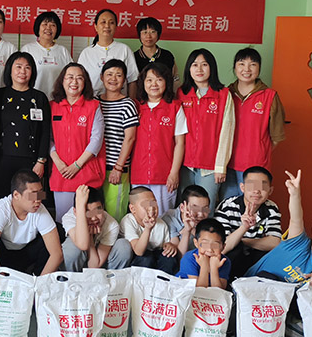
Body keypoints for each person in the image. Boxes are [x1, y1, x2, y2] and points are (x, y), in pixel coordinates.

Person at [246, 170, 312, 284]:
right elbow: (296, 219)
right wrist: (295, 194)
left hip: (286, 295)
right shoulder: (298, 242)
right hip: (251, 287)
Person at [223, 48, 286, 199]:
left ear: (259, 68)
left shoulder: (269, 96)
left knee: (253, 206)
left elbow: (276, 137)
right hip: (227, 165)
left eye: (252, 64)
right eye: (241, 64)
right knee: (228, 206)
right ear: (235, 67)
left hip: (256, 168)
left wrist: (259, 151)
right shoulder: (226, 94)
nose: (247, 69)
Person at [177, 49, 234, 208]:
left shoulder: (223, 94)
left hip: (210, 167)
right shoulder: (182, 93)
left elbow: (227, 132)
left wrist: (221, 166)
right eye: (194, 65)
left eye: (204, 64)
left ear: (212, 67)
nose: (199, 69)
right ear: (189, 68)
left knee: (205, 209)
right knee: (185, 209)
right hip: (185, 164)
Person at [48, 63, 105, 222]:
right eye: (70, 77)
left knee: (91, 221)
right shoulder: (52, 106)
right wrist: (58, 162)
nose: (74, 82)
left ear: (85, 82)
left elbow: (96, 139)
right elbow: (48, 138)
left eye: (79, 78)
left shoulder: (93, 106)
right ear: (62, 81)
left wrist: (77, 165)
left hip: (87, 173)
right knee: (63, 220)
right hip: (62, 174)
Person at [0, 52, 51, 203]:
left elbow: (45, 132)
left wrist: (41, 161)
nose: (22, 71)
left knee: (33, 201)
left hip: (31, 161)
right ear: (10, 70)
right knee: (2, 201)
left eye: (27, 68)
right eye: (18, 67)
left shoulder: (40, 98)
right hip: (2, 160)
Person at [0, 170, 63, 276]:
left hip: (27, 254)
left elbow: (57, 254)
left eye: (40, 193)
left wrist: (40, 283)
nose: (38, 200)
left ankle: (36, 275)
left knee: (58, 230)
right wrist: (3, 280)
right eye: (32, 195)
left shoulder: (40, 209)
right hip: (3, 255)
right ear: (16, 195)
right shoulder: (2, 209)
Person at [132, 63, 187, 214]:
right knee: (141, 216)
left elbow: (180, 143)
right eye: (149, 80)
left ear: (166, 82)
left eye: (159, 80)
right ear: (143, 83)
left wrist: (174, 173)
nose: (154, 84)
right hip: (139, 174)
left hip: (164, 176)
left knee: (163, 216)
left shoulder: (174, 107)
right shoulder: (135, 107)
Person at [215, 166, 282, 281]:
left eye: (263, 187)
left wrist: (243, 241)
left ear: (270, 190)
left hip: (256, 257)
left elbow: (275, 242)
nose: (256, 191)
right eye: (252, 186)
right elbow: (222, 247)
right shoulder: (227, 206)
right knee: (235, 251)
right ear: (242, 187)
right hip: (232, 259)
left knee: (276, 256)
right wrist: (244, 228)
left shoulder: (271, 207)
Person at [97, 59, 139, 221]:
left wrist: (118, 167)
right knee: (95, 213)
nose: (113, 79)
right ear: (101, 77)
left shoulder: (127, 104)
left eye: (118, 75)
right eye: (109, 74)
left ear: (124, 80)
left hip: (116, 169)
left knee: (114, 215)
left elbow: (130, 138)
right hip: (96, 168)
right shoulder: (95, 102)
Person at [61, 185, 132, 272]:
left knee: (123, 246)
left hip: (101, 264)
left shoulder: (111, 225)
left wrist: (90, 239)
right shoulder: (70, 217)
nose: (94, 218)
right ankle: (71, 278)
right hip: (78, 263)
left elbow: (94, 265)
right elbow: (82, 244)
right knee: (72, 248)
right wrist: (81, 208)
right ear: (76, 212)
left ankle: (110, 278)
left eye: (97, 211)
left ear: (103, 207)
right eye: (87, 213)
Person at [77, 9, 139, 99]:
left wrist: (131, 103)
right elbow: (80, 80)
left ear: (116, 27)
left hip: (119, 103)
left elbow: (132, 80)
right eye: (103, 22)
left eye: (111, 23)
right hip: (93, 102)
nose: (107, 26)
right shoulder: (86, 53)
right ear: (96, 27)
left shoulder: (124, 49)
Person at [120, 186, 177, 274]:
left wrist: (169, 246)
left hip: (155, 255)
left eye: (154, 203)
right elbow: (139, 251)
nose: (151, 208)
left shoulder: (162, 224)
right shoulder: (128, 221)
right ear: (132, 209)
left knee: (169, 258)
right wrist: (148, 229)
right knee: (146, 258)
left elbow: (164, 245)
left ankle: (162, 280)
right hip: (137, 256)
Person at [21, 11, 72, 99]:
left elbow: (71, 75)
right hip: (32, 99)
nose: (48, 28)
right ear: (38, 27)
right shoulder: (28, 49)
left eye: (53, 25)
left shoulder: (63, 51)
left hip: (57, 100)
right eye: (45, 24)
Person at [176, 218, 231, 289]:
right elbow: (199, 291)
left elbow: (219, 291)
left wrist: (214, 268)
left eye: (215, 245)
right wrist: (204, 266)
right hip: (185, 291)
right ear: (196, 243)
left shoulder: (224, 261)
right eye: (205, 244)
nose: (210, 249)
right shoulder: (189, 258)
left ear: (223, 247)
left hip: (210, 294)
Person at [162, 184, 211, 258]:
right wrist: (187, 230)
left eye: (205, 209)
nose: (201, 214)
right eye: (195, 209)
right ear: (182, 207)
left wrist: (193, 230)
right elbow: (179, 258)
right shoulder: (170, 218)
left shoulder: (207, 222)